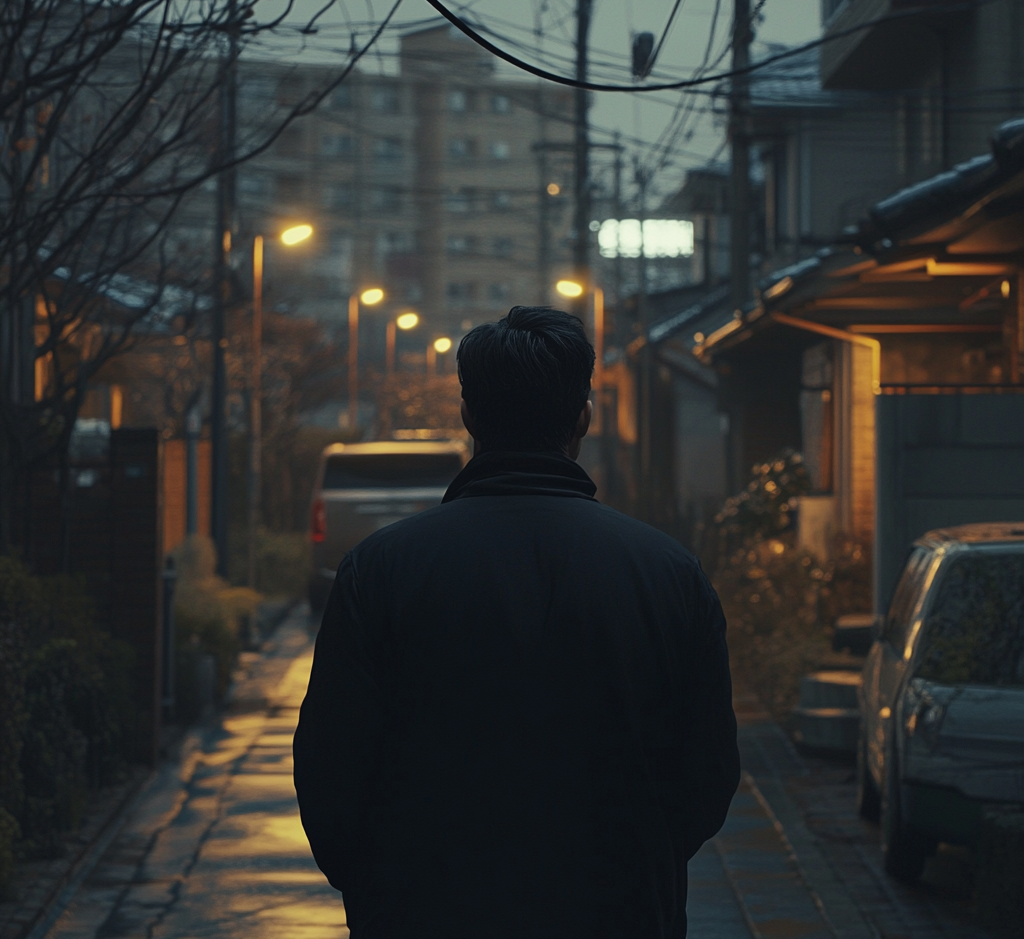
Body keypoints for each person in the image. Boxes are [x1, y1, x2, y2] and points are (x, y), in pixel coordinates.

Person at [294, 305, 740, 939]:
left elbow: (330, 765)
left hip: (423, 908)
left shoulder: (380, 570)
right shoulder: (668, 572)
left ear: (469, 415)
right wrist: (640, 863)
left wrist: (380, 883)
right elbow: (708, 774)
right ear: (583, 414)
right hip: (618, 908)